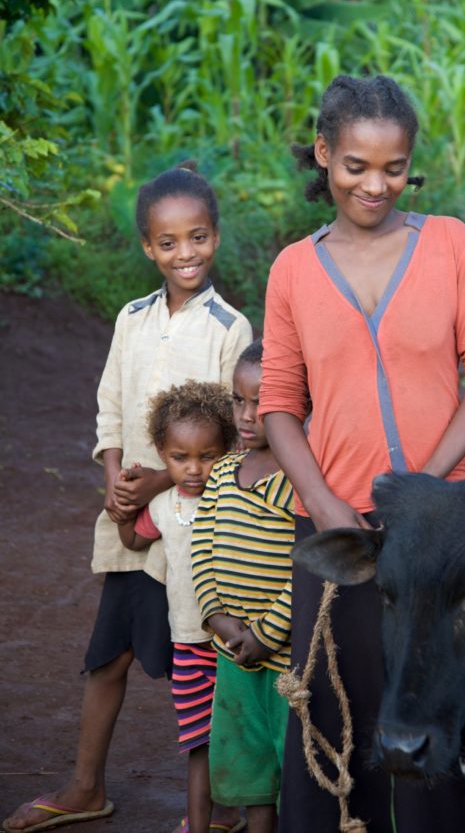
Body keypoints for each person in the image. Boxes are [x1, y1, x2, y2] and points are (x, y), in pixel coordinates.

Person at [259, 74, 465, 833]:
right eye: (355, 166)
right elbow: (278, 404)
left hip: (443, 532)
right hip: (337, 532)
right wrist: (332, 509)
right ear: (324, 155)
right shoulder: (293, 269)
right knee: (339, 712)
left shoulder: (450, 244)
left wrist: (424, 492)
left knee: (438, 710)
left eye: (393, 167)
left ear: (410, 164)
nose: (375, 185)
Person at [2, 163, 251, 833]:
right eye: (168, 242)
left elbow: (235, 431)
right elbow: (110, 403)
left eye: (197, 237)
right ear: (148, 247)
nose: (185, 253)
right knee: (106, 655)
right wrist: (115, 475)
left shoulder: (230, 328)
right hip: (127, 521)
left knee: (204, 658)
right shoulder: (131, 318)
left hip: (195, 525)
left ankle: (220, 804)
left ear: (216, 238)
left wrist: (165, 480)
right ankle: (86, 787)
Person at [118, 379, 246, 833]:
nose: (194, 469)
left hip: (241, 644)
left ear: (227, 448)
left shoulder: (233, 497)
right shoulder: (163, 505)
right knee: (199, 743)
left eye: (207, 456)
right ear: (161, 452)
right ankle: (200, 823)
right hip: (189, 645)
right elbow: (135, 540)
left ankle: (246, 816)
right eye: (180, 457)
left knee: (247, 736)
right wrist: (121, 511)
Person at [191, 339, 294, 833]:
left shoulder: (301, 480)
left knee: (294, 769)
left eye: (262, 402)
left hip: (285, 664)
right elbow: (202, 547)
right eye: (238, 400)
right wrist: (215, 615)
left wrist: (267, 634)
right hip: (234, 658)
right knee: (250, 774)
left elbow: (306, 573)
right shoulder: (224, 472)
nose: (247, 415)